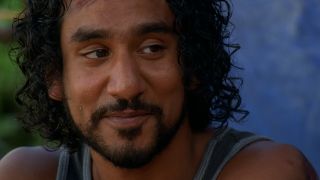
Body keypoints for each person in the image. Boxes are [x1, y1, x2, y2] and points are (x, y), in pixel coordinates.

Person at [0, 0, 318, 179]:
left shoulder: (268, 173)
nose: (126, 86)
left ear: (192, 65)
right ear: (55, 77)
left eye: (152, 49)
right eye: (97, 53)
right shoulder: (25, 175)